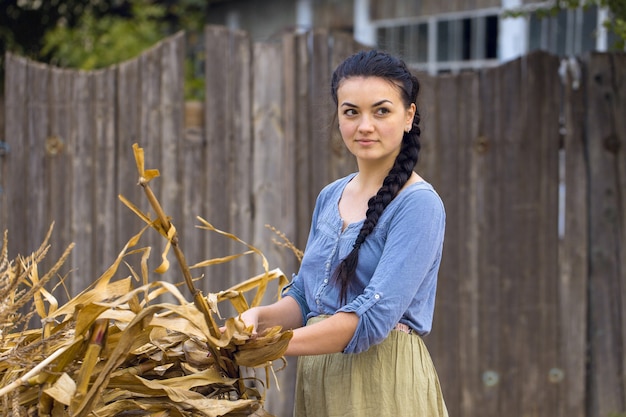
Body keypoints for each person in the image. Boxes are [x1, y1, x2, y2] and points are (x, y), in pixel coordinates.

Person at [240, 49, 448, 417]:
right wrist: (257, 319)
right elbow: (307, 300)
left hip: (382, 385)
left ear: (408, 116)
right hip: (319, 383)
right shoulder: (330, 196)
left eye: (381, 111)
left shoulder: (418, 205)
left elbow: (371, 319)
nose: (364, 125)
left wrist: (274, 346)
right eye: (351, 112)